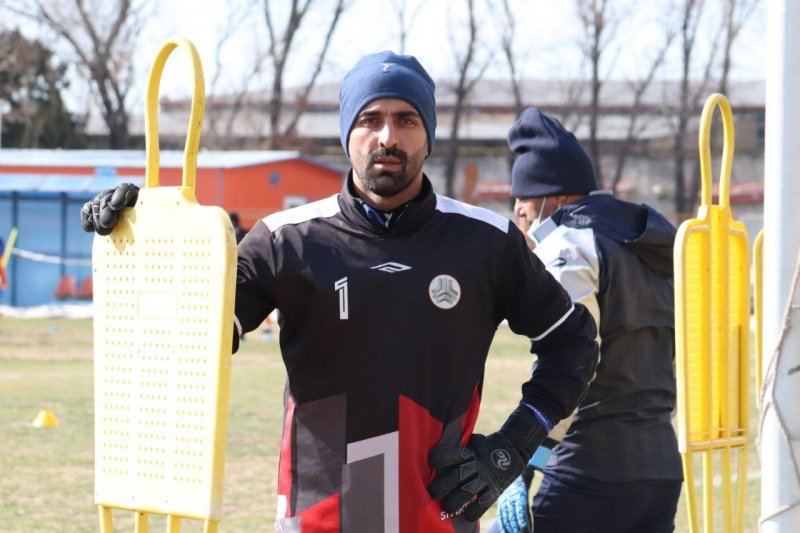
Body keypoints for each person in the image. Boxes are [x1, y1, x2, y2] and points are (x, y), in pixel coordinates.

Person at [81, 52, 598, 532]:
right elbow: (188, 333)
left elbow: (573, 344)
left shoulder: (487, 240)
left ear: (428, 133)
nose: (387, 137)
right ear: (347, 132)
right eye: (370, 120)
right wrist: (144, 238)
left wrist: (510, 449)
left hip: (437, 514)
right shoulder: (286, 238)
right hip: (317, 516)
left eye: (407, 119)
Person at [491, 108, 683, 533]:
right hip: (661, 467)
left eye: (522, 198)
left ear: (552, 196)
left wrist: (522, 457)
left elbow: (572, 367)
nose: (519, 212)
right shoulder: (649, 238)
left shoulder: (569, 246)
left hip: (591, 468)